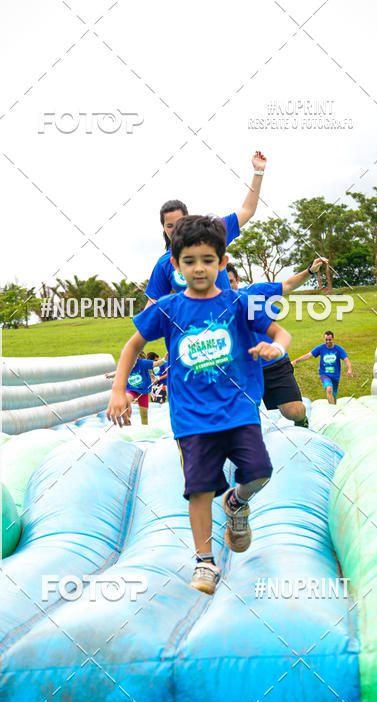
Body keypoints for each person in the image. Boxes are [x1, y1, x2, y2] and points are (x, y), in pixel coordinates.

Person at [107, 215, 291, 595]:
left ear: (222, 263)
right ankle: (205, 562)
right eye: (189, 260)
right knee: (199, 489)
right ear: (175, 266)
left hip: (238, 409)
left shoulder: (240, 303)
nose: (199, 268)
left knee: (259, 471)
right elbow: (132, 346)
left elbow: (280, 331)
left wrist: (278, 347)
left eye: (208, 259)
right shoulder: (169, 309)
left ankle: (236, 503)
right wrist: (119, 390)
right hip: (192, 418)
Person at [144, 151, 267, 304]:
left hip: (228, 322)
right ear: (163, 228)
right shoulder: (164, 263)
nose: (175, 229)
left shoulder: (212, 233)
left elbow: (247, 210)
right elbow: (153, 303)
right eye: (169, 226)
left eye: (179, 222)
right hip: (193, 327)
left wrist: (258, 172)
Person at [226, 259, 327, 427]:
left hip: (274, 365)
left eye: (230, 281)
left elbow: (287, 285)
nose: (228, 287)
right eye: (223, 283)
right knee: (241, 415)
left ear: (237, 279)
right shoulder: (212, 308)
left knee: (294, 411)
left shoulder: (254, 292)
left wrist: (310, 271)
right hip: (243, 371)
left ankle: (302, 421)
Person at [292, 331, 353, 404]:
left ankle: (333, 406)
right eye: (326, 340)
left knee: (333, 394)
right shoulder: (321, 348)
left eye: (329, 340)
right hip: (324, 374)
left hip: (335, 375)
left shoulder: (338, 349)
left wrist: (349, 369)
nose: (328, 341)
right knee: (329, 389)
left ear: (333, 338)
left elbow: (346, 359)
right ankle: (332, 410)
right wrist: (296, 361)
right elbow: (308, 355)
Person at [104, 351, 164, 425]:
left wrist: (165, 359)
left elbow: (156, 364)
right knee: (125, 400)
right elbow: (120, 372)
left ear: (136, 358)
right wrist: (110, 375)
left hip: (143, 391)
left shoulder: (142, 363)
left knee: (144, 415)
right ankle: (126, 421)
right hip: (131, 389)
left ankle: (144, 428)